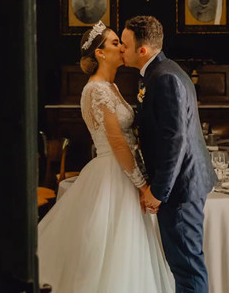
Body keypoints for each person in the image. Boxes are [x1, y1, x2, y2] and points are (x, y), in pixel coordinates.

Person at [38, 20, 175, 293]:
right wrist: (142, 184)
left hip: (122, 171)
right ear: (100, 53)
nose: (122, 47)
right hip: (113, 172)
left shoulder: (110, 86)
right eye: (115, 43)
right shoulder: (96, 90)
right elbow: (117, 143)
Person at [120, 15, 217, 293]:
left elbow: (175, 140)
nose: (122, 51)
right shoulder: (161, 71)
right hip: (179, 186)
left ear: (142, 50)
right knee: (183, 264)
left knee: (187, 266)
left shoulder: (164, 78)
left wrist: (158, 191)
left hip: (180, 189)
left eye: (125, 45)